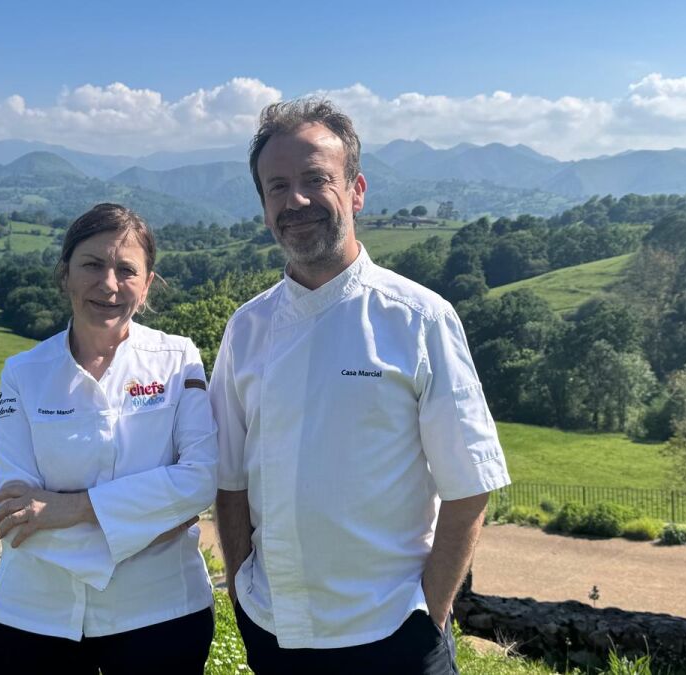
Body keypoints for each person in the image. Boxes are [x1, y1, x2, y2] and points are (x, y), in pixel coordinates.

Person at [210, 99, 511, 674]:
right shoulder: (246, 329)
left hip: (394, 633)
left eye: (315, 179)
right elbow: (230, 480)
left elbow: (469, 484)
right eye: (277, 187)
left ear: (356, 190)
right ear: (264, 206)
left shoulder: (419, 319)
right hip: (276, 631)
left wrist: (429, 614)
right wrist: (243, 592)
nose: (296, 201)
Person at [0, 203, 218, 674]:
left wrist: (69, 508)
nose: (108, 284)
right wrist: (154, 521)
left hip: (161, 615)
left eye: (126, 270)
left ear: (147, 284)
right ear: (65, 274)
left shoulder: (178, 360)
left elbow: (200, 481)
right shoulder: (23, 373)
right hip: (34, 616)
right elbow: (16, 510)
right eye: (92, 264)